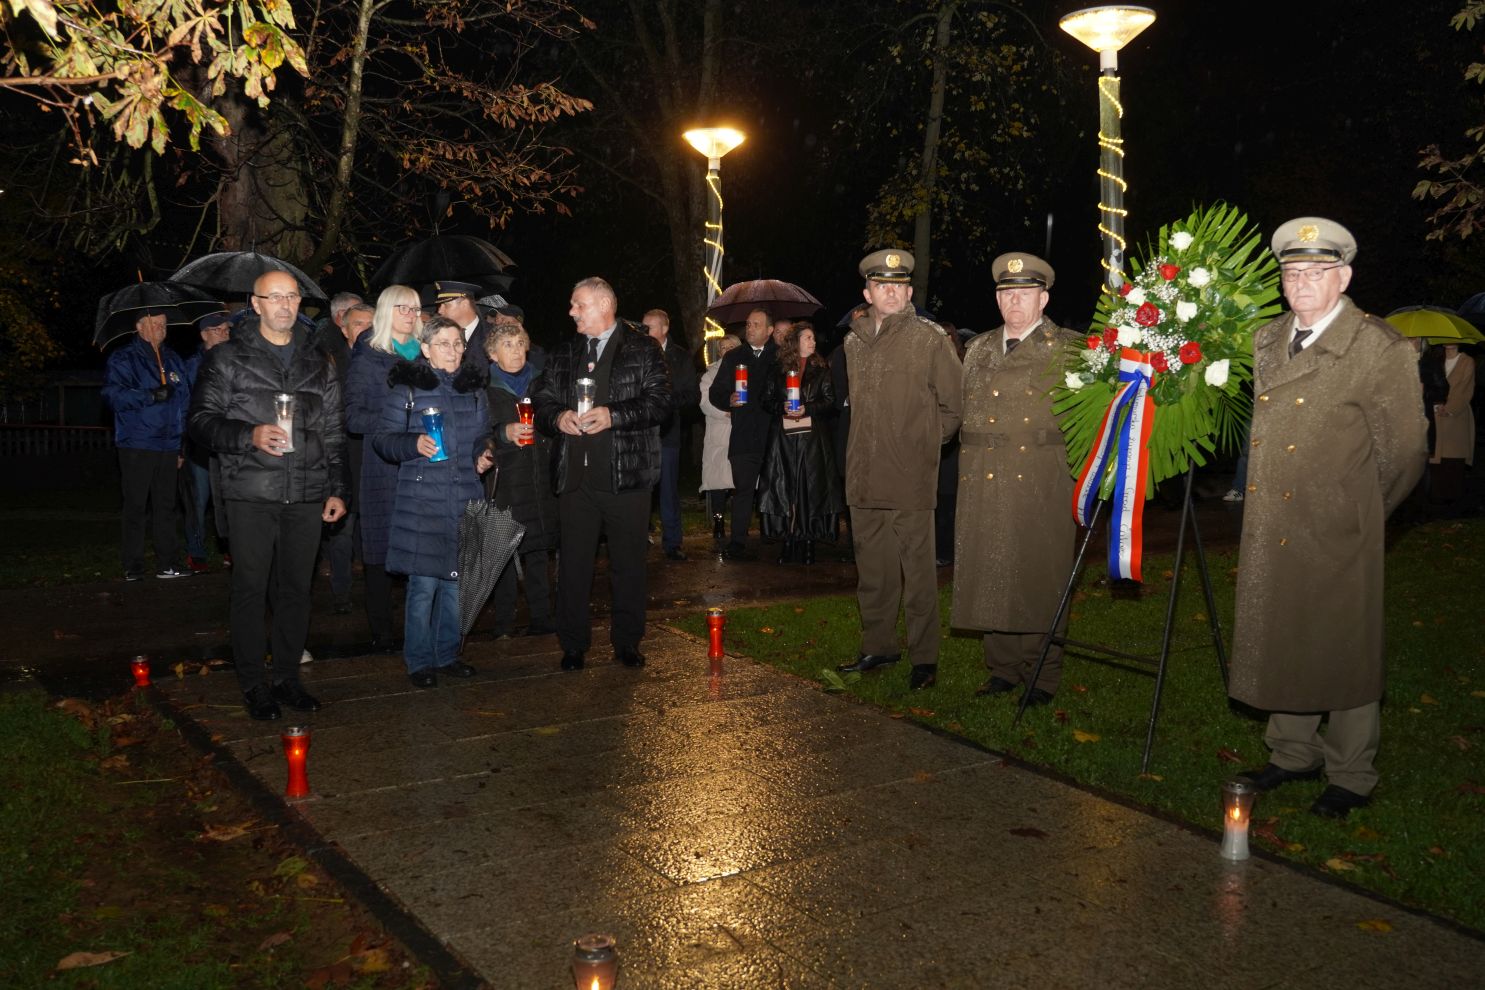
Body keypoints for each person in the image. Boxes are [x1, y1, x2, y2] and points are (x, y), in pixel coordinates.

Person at [1231, 217, 1427, 819]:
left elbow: (1405, 451)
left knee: (1345, 642)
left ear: (1344, 277)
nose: (1301, 283)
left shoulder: (1377, 346)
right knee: (1284, 628)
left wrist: (1363, 509)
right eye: (1292, 272)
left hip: (1341, 522)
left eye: (1317, 272)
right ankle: (1292, 751)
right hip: (1273, 519)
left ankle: (1351, 771)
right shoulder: (1268, 338)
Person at [189, 270, 348, 720]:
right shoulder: (226, 358)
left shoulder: (319, 361)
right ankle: (253, 684)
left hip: (306, 492)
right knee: (250, 589)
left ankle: (286, 678)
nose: (285, 305)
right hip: (251, 491)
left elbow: (333, 432)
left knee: (296, 590)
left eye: (292, 296)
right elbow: (199, 421)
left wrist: (337, 489)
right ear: (255, 304)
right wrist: (248, 435)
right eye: (274, 297)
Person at [950, 253, 1079, 707]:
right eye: (1007, 293)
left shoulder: (1071, 349)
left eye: (1025, 293)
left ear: (1044, 299)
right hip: (984, 478)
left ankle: (1041, 672)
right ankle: (1002, 668)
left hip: (1041, 480)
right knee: (991, 568)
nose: (1015, 301)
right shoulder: (978, 348)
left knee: (1039, 572)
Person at [835, 250, 962, 691]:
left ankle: (924, 658)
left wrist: (924, 444)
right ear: (867, 292)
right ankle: (879, 646)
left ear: (909, 293)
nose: (890, 292)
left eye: (899, 285)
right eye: (881, 285)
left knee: (919, 575)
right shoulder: (852, 342)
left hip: (910, 477)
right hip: (863, 477)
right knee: (873, 573)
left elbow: (955, 405)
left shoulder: (929, 339)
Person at [532, 276, 670, 671]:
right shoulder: (564, 352)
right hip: (575, 479)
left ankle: (627, 642)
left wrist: (614, 415)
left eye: (579, 305)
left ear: (604, 305)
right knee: (573, 566)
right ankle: (573, 644)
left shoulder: (642, 348)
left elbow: (661, 402)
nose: (571, 312)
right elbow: (541, 398)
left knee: (628, 565)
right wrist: (557, 417)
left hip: (626, 476)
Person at [372, 316, 493, 688]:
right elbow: (383, 440)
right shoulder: (407, 390)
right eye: (443, 344)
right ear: (425, 348)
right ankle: (419, 661)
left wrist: (484, 453)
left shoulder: (474, 391)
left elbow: (482, 436)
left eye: (457, 344)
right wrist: (413, 444)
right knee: (423, 586)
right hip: (421, 500)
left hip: (465, 494)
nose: (453, 351)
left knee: (456, 584)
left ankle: (447, 654)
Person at [346, 285, 424, 653]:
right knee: (381, 554)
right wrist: (395, 420)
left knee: (420, 552)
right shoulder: (368, 358)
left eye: (415, 308)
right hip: (384, 467)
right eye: (402, 308)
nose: (410, 315)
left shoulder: (427, 355)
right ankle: (382, 633)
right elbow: (352, 417)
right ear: (386, 312)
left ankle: (418, 630)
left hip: (423, 465)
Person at [102, 310, 193, 581]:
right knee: (136, 506)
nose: (161, 328)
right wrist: (150, 395)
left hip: (168, 444)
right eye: (154, 324)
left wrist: (181, 444)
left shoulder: (173, 359)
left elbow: (185, 402)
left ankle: (168, 563)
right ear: (140, 327)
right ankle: (133, 565)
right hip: (138, 443)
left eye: (163, 324)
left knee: (166, 505)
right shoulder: (124, 358)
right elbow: (113, 395)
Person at [484, 320, 558, 638]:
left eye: (519, 344)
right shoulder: (485, 390)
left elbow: (556, 419)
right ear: (492, 354)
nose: (515, 351)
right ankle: (504, 622)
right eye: (507, 345)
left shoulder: (542, 384)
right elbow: (478, 431)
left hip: (540, 476)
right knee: (503, 551)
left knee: (538, 549)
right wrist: (504, 432)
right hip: (505, 480)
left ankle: (541, 616)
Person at [758, 322, 843, 563]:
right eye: (808, 338)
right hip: (784, 439)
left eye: (813, 338)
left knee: (809, 489)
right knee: (787, 488)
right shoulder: (778, 369)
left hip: (812, 440)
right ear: (795, 341)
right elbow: (765, 399)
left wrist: (808, 408)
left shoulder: (821, 369)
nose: (813, 342)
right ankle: (788, 539)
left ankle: (808, 540)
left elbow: (830, 401)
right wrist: (781, 406)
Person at [707, 307, 777, 559]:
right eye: (748, 324)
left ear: (769, 330)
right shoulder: (734, 357)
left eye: (756, 324)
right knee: (743, 490)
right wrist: (729, 399)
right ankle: (737, 540)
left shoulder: (780, 356)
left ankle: (776, 534)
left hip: (773, 435)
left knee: (775, 487)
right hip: (744, 435)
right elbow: (715, 392)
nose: (750, 328)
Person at [320, 301, 375, 613]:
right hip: (343, 458)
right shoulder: (331, 365)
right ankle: (341, 594)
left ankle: (377, 594)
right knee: (342, 531)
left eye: (371, 324)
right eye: (358, 324)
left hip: (376, 456)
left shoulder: (386, 363)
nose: (365, 330)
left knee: (374, 530)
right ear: (344, 329)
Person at [643, 308, 701, 560]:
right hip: (640, 435)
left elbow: (692, 395)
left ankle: (673, 543)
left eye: (649, 328)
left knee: (668, 489)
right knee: (641, 491)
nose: (644, 332)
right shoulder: (636, 354)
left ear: (665, 329)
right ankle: (638, 539)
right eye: (642, 327)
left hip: (668, 433)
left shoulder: (680, 357)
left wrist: (666, 401)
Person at [182, 311, 232, 572]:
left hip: (227, 440)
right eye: (217, 330)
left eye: (226, 330)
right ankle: (196, 552)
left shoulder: (236, 361)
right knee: (199, 499)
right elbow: (187, 406)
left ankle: (231, 549)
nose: (224, 334)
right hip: (200, 443)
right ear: (204, 335)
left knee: (229, 498)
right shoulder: (193, 365)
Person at [699, 334, 741, 542]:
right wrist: (726, 411)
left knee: (740, 480)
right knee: (718, 481)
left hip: (741, 432)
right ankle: (718, 521)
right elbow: (705, 402)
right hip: (719, 432)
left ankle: (740, 523)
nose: (727, 350)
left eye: (732, 346)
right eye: (723, 347)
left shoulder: (746, 371)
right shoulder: (710, 374)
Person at [1428, 343, 1475, 512]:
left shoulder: (1466, 362)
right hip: (1433, 414)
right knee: (1435, 455)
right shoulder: (1434, 361)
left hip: (1456, 416)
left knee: (1452, 455)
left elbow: (1464, 390)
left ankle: (1451, 499)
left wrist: (1449, 408)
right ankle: (1435, 496)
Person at [428, 280, 491, 372]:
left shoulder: (493, 336)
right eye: (440, 305)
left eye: (446, 305)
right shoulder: (437, 335)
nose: (440, 311)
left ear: (464, 304)